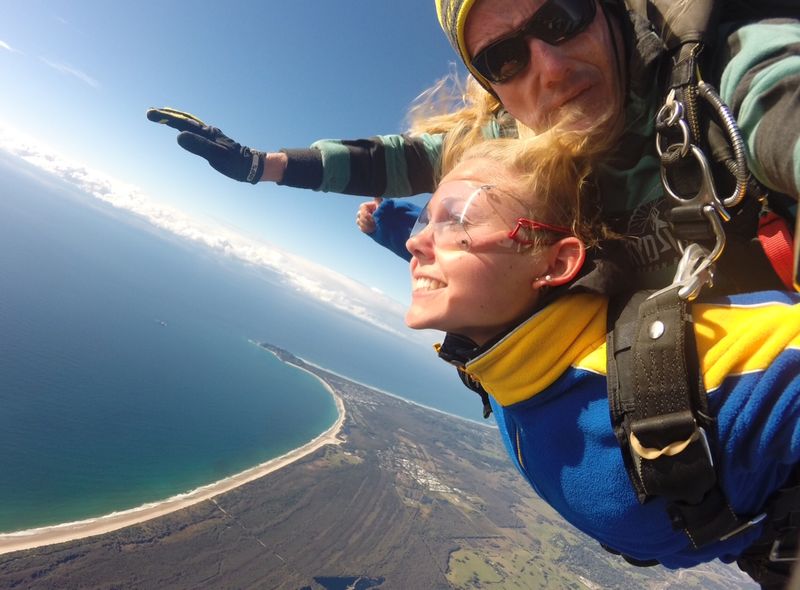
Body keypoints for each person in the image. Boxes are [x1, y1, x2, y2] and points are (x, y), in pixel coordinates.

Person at [149, 0, 799, 290]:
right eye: (505, 57)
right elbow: (401, 159)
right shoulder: (514, 138)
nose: (551, 68)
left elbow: (776, 94)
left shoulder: (711, 72)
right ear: (494, 90)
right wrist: (260, 166)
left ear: (604, 7)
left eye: (560, 18)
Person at [403, 127, 800, 587]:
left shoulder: (677, 373)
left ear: (555, 264)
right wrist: (387, 219)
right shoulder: (502, 354)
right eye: (425, 220)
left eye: (457, 220)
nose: (417, 242)